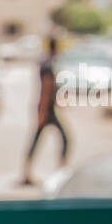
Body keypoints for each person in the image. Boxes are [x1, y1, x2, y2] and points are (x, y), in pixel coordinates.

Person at [20, 36, 70, 186]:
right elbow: (46, 90)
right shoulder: (48, 65)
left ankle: (28, 172)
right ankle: (58, 171)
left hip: (48, 109)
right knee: (63, 139)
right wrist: (42, 112)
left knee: (40, 141)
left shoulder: (48, 63)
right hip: (46, 110)